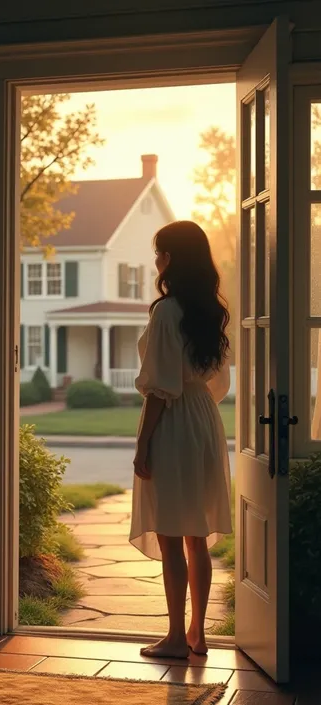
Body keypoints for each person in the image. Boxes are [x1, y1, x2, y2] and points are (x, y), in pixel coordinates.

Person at [130, 220, 232, 659]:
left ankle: (174, 636)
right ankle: (198, 633)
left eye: (159, 251)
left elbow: (159, 388)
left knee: (172, 531)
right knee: (195, 533)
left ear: (170, 257)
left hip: (172, 422)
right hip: (204, 419)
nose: (156, 259)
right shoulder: (212, 308)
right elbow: (217, 382)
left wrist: (142, 444)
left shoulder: (166, 311)